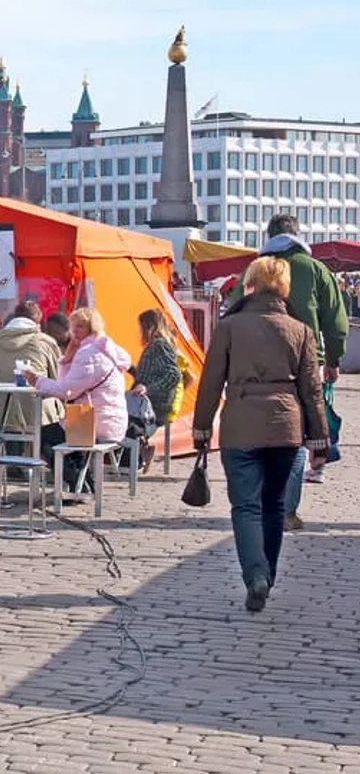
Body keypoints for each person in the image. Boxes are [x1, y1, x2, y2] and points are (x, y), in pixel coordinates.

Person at [193, 256, 328, 612]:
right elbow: (312, 391)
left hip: (240, 425)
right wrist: (320, 440)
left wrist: (201, 427)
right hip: (286, 426)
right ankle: (267, 573)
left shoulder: (230, 326)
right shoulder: (300, 330)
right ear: (284, 288)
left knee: (246, 505)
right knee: (274, 505)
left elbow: (210, 383)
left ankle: (256, 576)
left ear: (250, 285)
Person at [233, 214, 347, 528]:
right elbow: (336, 324)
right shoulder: (316, 270)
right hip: (304, 364)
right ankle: (284, 511)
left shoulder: (254, 270)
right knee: (295, 438)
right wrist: (334, 360)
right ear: (298, 235)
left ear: (268, 235)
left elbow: (231, 315)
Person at [23, 307, 131, 493]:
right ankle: (83, 482)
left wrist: (38, 380)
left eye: (80, 326)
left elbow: (67, 391)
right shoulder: (107, 347)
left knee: (45, 436)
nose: (75, 331)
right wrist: (67, 360)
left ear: (92, 327)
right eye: (74, 327)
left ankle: (79, 484)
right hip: (111, 421)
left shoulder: (89, 353)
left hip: (93, 423)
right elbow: (69, 384)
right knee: (60, 433)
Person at [0, 300, 64, 450]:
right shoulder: (46, 343)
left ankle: (13, 465)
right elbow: (59, 380)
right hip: (40, 415)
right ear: (38, 322)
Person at [129, 308, 181, 474]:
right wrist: (130, 369)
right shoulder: (159, 345)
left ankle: (137, 457)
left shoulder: (159, 346)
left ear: (148, 326)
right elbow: (149, 374)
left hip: (154, 407)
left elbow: (174, 375)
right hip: (152, 403)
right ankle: (142, 451)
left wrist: (148, 389)